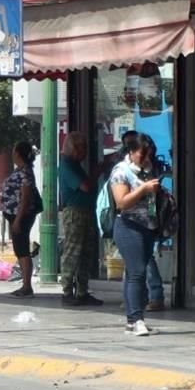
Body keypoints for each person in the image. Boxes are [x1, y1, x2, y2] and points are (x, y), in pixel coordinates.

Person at [110, 133, 163, 337]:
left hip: (148, 226)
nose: (146, 159)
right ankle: (136, 317)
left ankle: (133, 320)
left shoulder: (149, 170)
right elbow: (122, 202)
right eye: (142, 155)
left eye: (149, 155)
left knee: (136, 273)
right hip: (128, 225)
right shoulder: (121, 172)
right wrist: (143, 189)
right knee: (137, 272)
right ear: (131, 152)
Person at [58, 131, 104, 306]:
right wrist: (98, 171)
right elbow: (85, 186)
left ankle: (82, 290)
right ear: (74, 148)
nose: (85, 152)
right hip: (75, 213)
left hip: (86, 210)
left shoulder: (76, 165)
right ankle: (67, 290)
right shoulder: (67, 165)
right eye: (82, 147)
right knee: (73, 252)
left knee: (86, 252)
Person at [1, 141, 42, 298]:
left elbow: (25, 197)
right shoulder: (22, 171)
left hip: (21, 216)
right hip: (15, 215)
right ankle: (26, 285)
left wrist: (18, 220)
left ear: (17, 154)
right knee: (20, 249)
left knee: (22, 249)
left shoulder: (24, 172)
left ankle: (26, 286)